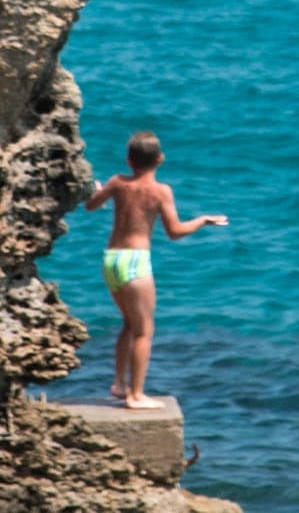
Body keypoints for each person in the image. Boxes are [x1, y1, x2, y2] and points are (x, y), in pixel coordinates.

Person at [84, 131, 229, 410]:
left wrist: (96, 190)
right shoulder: (161, 191)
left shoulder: (117, 183)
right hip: (136, 262)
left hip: (111, 259)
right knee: (144, 331)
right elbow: (174, 232)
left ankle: (119, 384)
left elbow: (91, 206)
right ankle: (136, 395)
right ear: (160, 159)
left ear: (129, 160)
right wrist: (202, 221)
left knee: (129, 323)